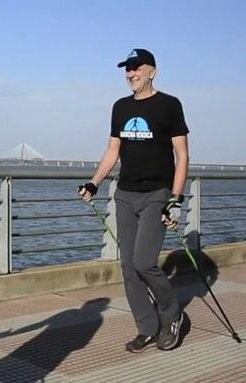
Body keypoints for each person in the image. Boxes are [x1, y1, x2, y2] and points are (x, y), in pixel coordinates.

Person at [78, 49, 189, 352]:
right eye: (127, 69)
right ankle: (147, 327)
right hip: (125, 194)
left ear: (152, 71)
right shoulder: (121, 107)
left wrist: (176, 199)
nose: (130, 74)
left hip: (157, 194)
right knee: (129, 268)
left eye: (136, 68)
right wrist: (94, 183)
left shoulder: (169, 105)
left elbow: (182, 155)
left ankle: (172, 316)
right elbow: (113, 150)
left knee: (144, 262)